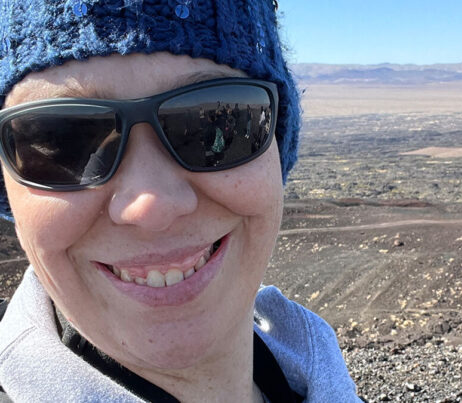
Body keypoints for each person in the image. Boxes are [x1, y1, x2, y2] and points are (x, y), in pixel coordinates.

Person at [0, 1, 362, 402]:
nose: (151, 208)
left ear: (276, 148)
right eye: (62, 141)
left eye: (215, 123)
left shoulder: (314, 371)